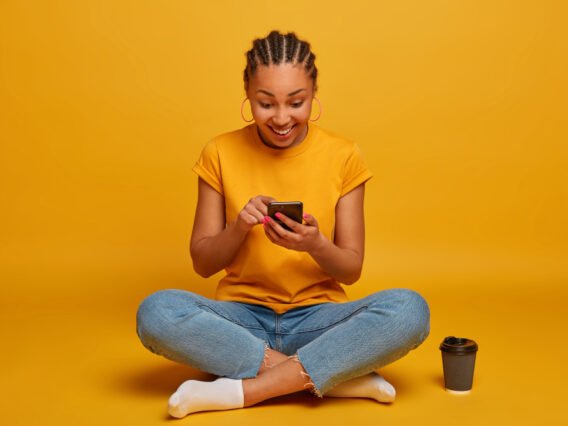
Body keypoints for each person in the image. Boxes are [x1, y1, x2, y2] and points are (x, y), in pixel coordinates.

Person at [136, 30, 430, 419]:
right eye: (265, 103)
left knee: (410, 310)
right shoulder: (220, 152)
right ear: (247, 95)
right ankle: (332, 377)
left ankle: (244, 391)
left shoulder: (344, 155)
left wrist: (315, 245)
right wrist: (239, 227)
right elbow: (203, 264)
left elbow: (352, 269)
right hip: (241, 322)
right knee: (155, 313)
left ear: (313, 94)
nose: (280, 118)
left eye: (296, 102)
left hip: (319, 319)